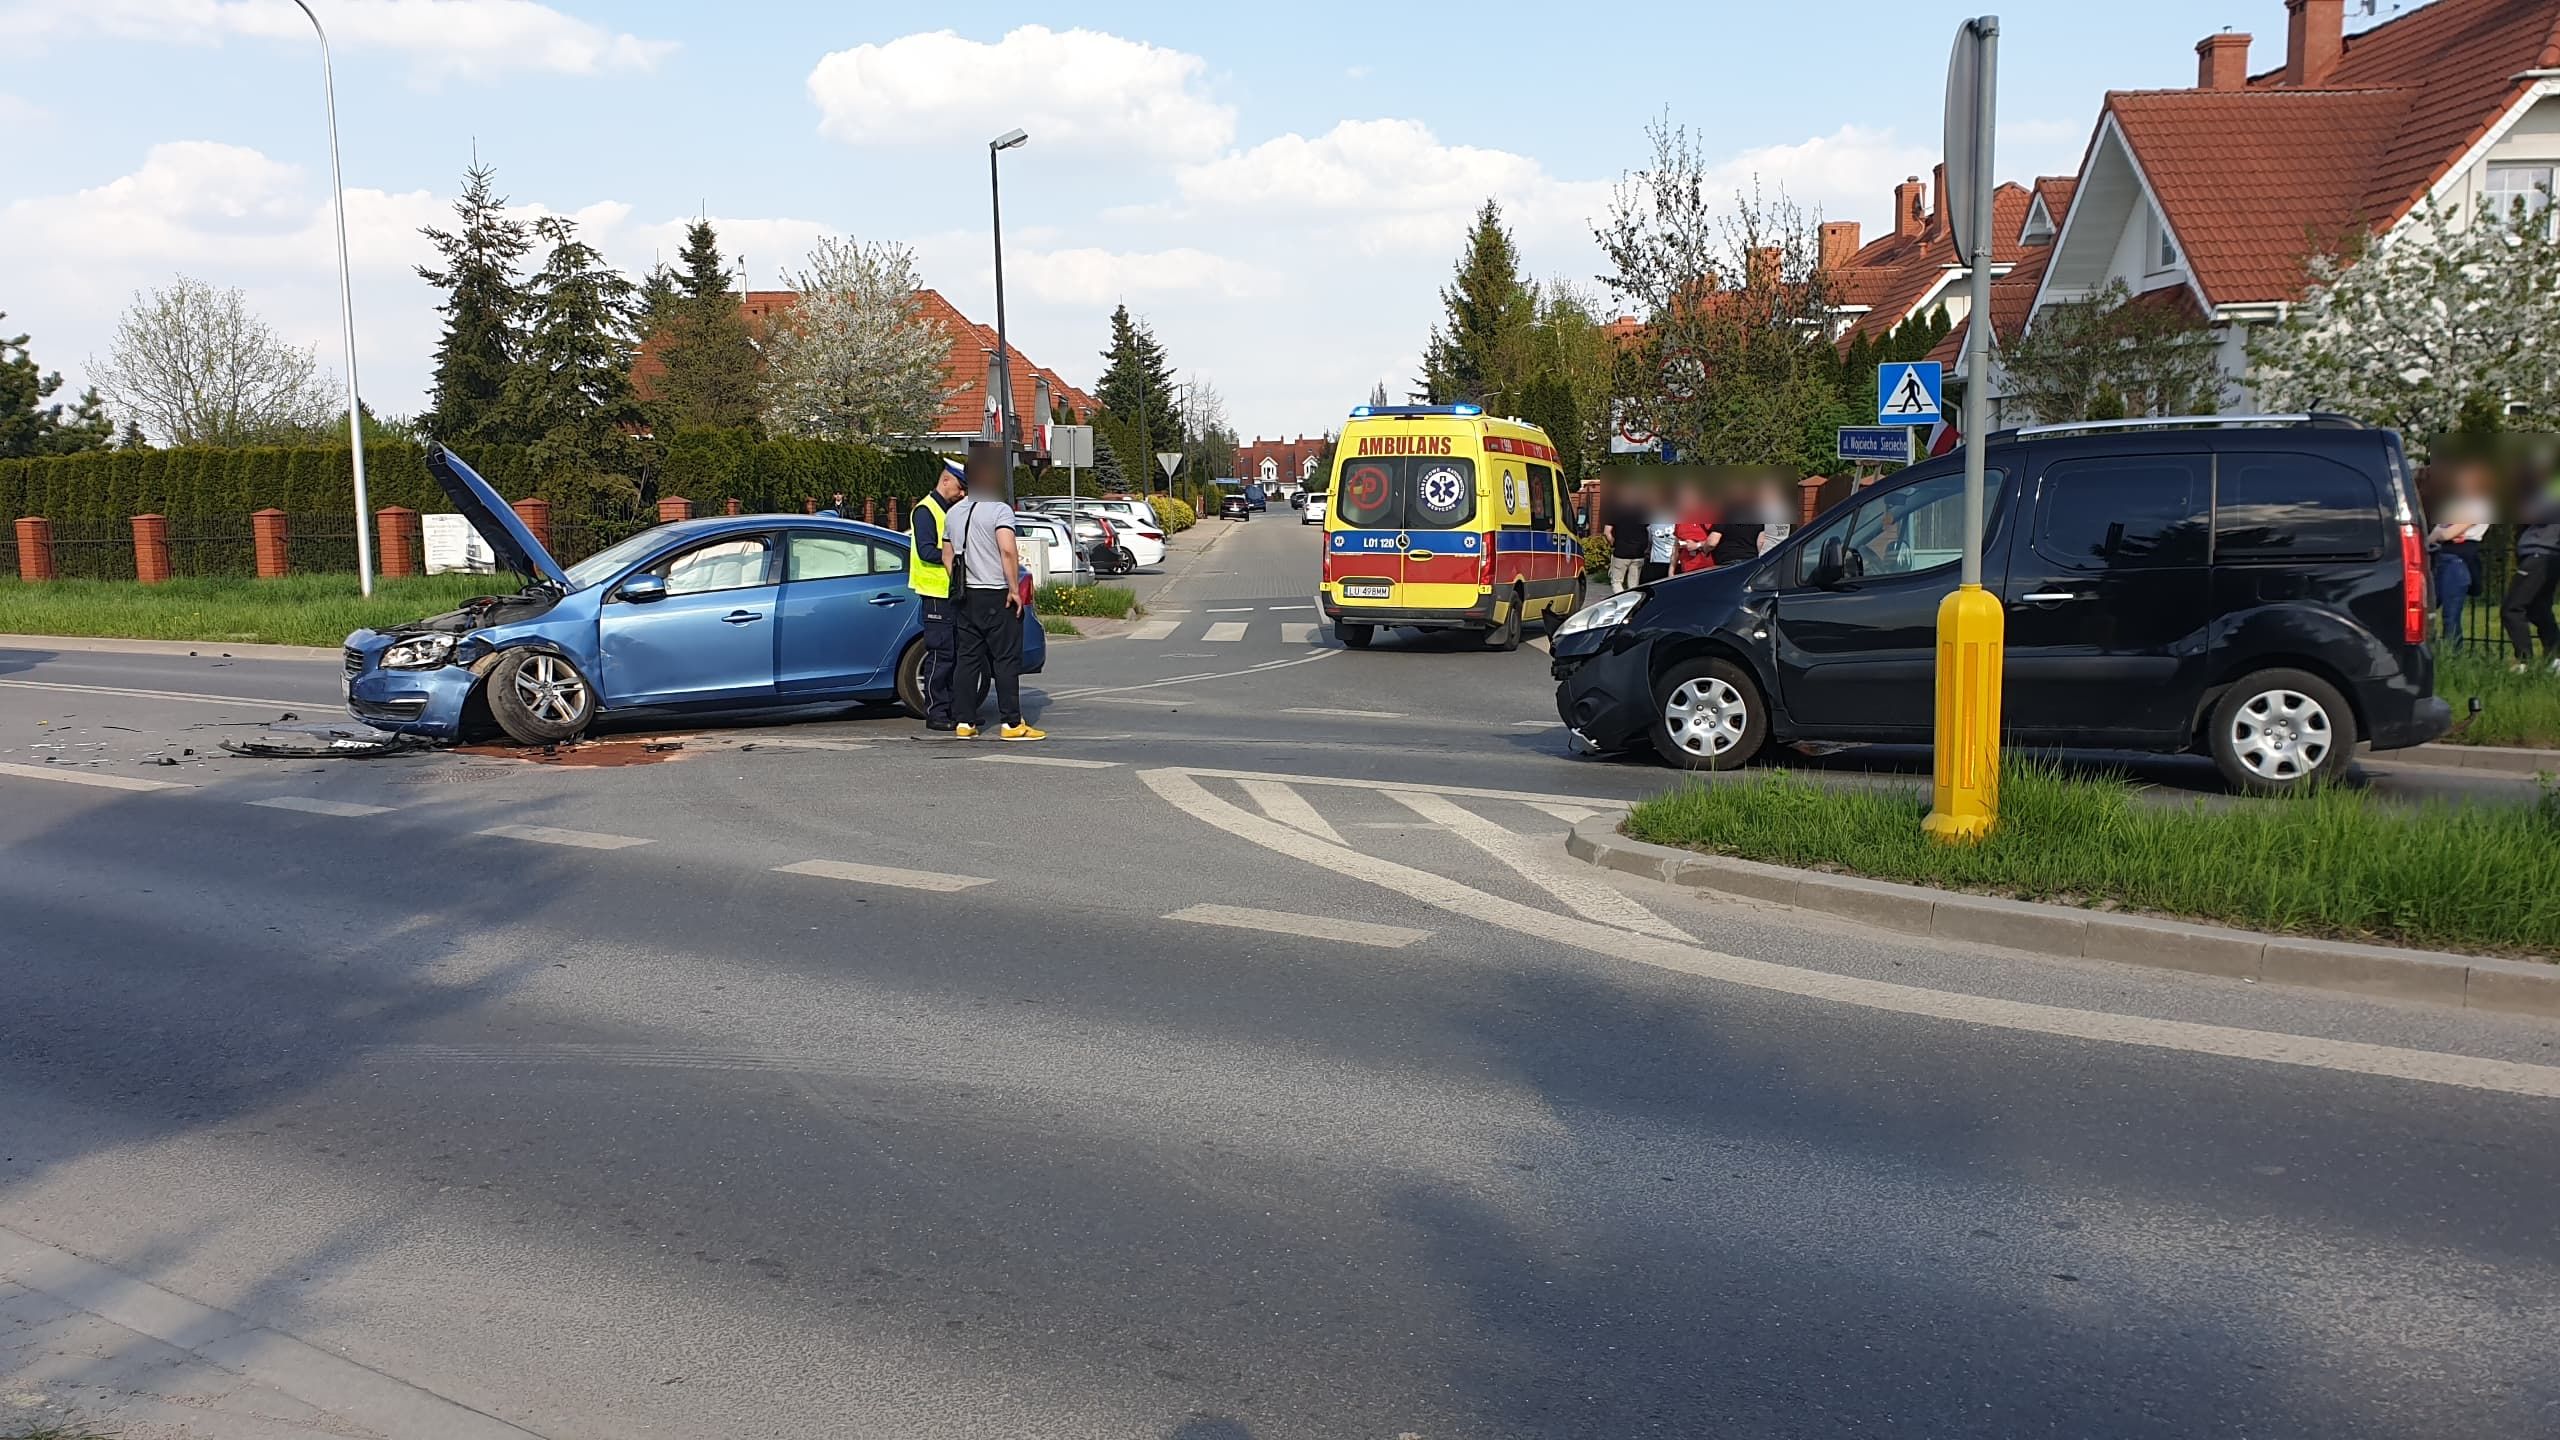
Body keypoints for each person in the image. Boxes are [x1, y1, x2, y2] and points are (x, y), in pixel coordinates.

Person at [945, 443, 1044, 740]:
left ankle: (964, 722)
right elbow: (1007, 550)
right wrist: (1014, 589)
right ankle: (1012, 723)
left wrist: (959, 581)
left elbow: (947, 555)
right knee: (1005, 660)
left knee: (968, 659)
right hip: (996, 593)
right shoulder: (999, 510)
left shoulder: (954, 513)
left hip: (966, 595)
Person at [909, 460, 965, 731]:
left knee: (953, 655)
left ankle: (953, 710)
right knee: (941, 656)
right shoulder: (925, 510)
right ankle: (936, 712)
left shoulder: (947, 511)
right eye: (959, 487)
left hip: (948, 592)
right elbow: (926, 551)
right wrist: (957, 559)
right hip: (934, 594)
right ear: (945, 481)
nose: (962, 493)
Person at [2427, 461, 2492, 646]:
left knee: (2451, 614)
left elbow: (2447, 532)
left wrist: (2442, 535)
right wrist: (2442, 535)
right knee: (2427, 608)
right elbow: (2434, 535)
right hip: (2441, 558)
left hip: (2458, 561)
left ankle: (2453, 655)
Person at [2500, 486, 2560, 673]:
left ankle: (2523, 660)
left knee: (2512, 608)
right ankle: (2555, 657)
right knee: (2538, 609)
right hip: (2542, 553)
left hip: (2541, 553)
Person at [1599, 480, 1649, 593]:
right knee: (1634, 585)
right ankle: (1633, 605)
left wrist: (1613, 543)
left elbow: (1607, 532)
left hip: (1621, 552)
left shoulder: (1614, 511)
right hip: (1638, 553)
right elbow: (1649, 531)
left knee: (1616, 581)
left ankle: (1622, 602)